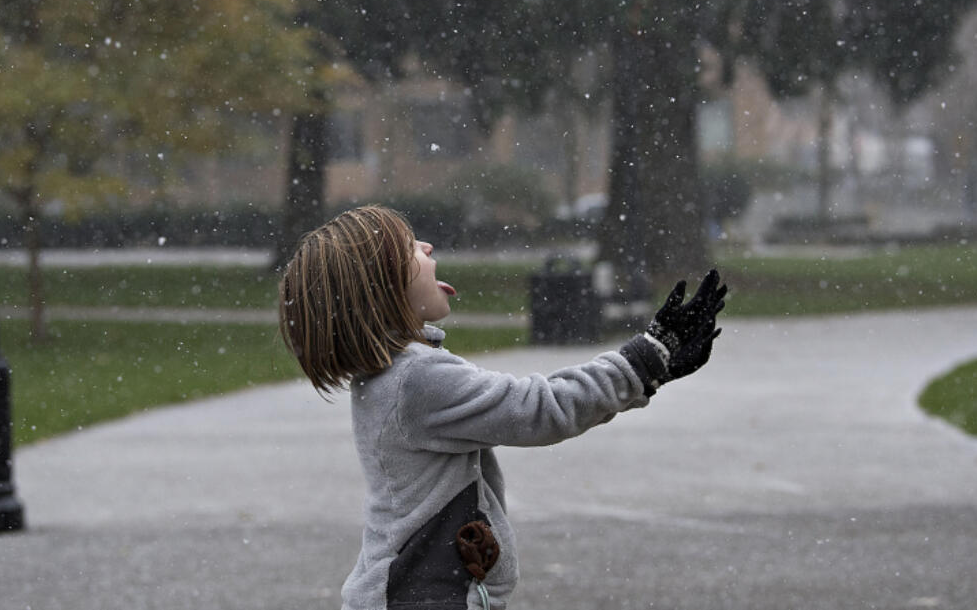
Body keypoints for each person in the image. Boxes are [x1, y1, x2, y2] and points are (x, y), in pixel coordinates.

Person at [278, 205, 727, 610]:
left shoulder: (393, 377)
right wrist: (647, 356)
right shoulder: (416, 381)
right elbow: (539, 410)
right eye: (409, 248)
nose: (427, 246)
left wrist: (648, 371)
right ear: (382, 288)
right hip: (422, 599)